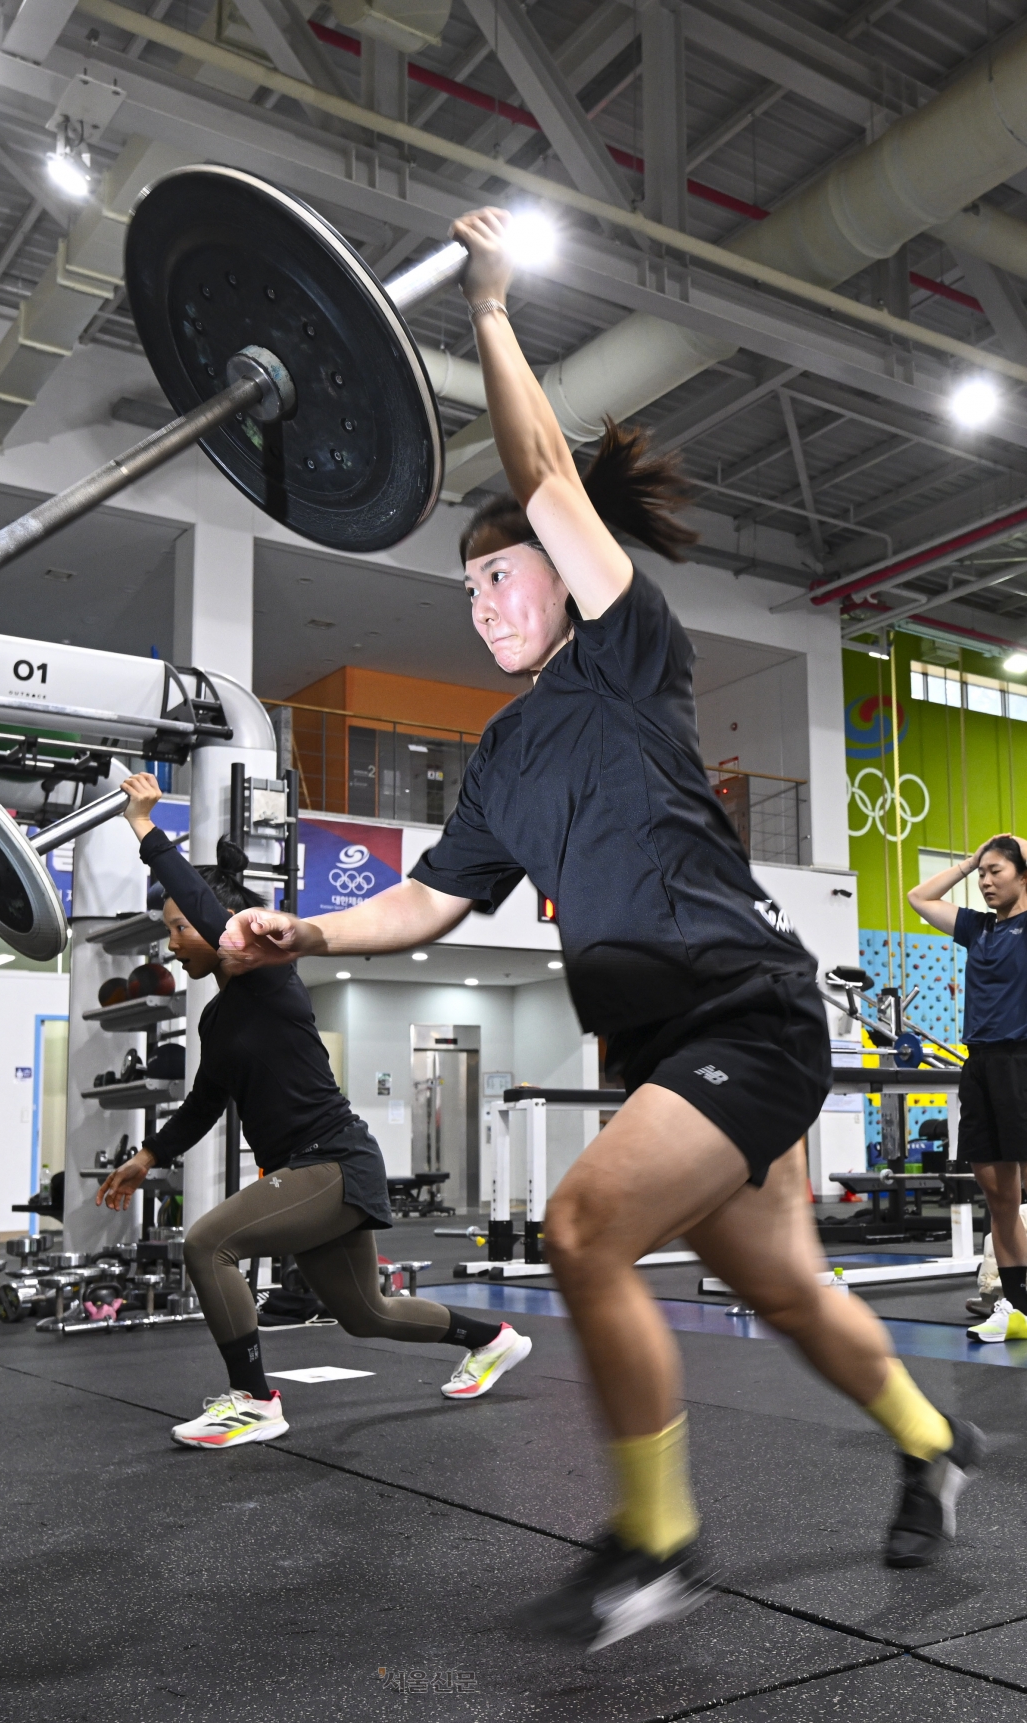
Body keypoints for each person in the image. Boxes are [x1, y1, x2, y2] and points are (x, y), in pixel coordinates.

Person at [215, 208, 985, 1649]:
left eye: (498, 574)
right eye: (467, 588)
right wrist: (298, 931)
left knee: (580, 1224)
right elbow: (427, 899)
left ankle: (661, 1534)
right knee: (785, 1284)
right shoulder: (503, 756)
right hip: (659, 1041)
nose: (482, 599)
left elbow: (545, 471)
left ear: (566, 579)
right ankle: (935, 1437)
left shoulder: (629, 653)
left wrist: (494, 310)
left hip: (747, 1010)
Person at [95, 774, 531, 1451]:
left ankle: (254, 1401)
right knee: (367, 1312)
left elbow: (214, 916)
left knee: (208, 1243)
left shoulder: (270, 976)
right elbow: (207, 1100)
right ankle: (495, 1340)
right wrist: (147, 1156)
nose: (173, 943)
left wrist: (145, 829)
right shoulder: (218, 1018)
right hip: (311, 1168)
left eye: (179, 929)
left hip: (330, 1161)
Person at [909, 834, 1027, 1343]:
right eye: (983, 874)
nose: (985, 882)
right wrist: (967, 862)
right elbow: (919, 898)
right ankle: (1019, 1309)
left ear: (1024, 875)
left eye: (996, 871)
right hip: (979, 1065)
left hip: (1024, 1060)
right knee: (998, 1194)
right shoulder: (977, 928)